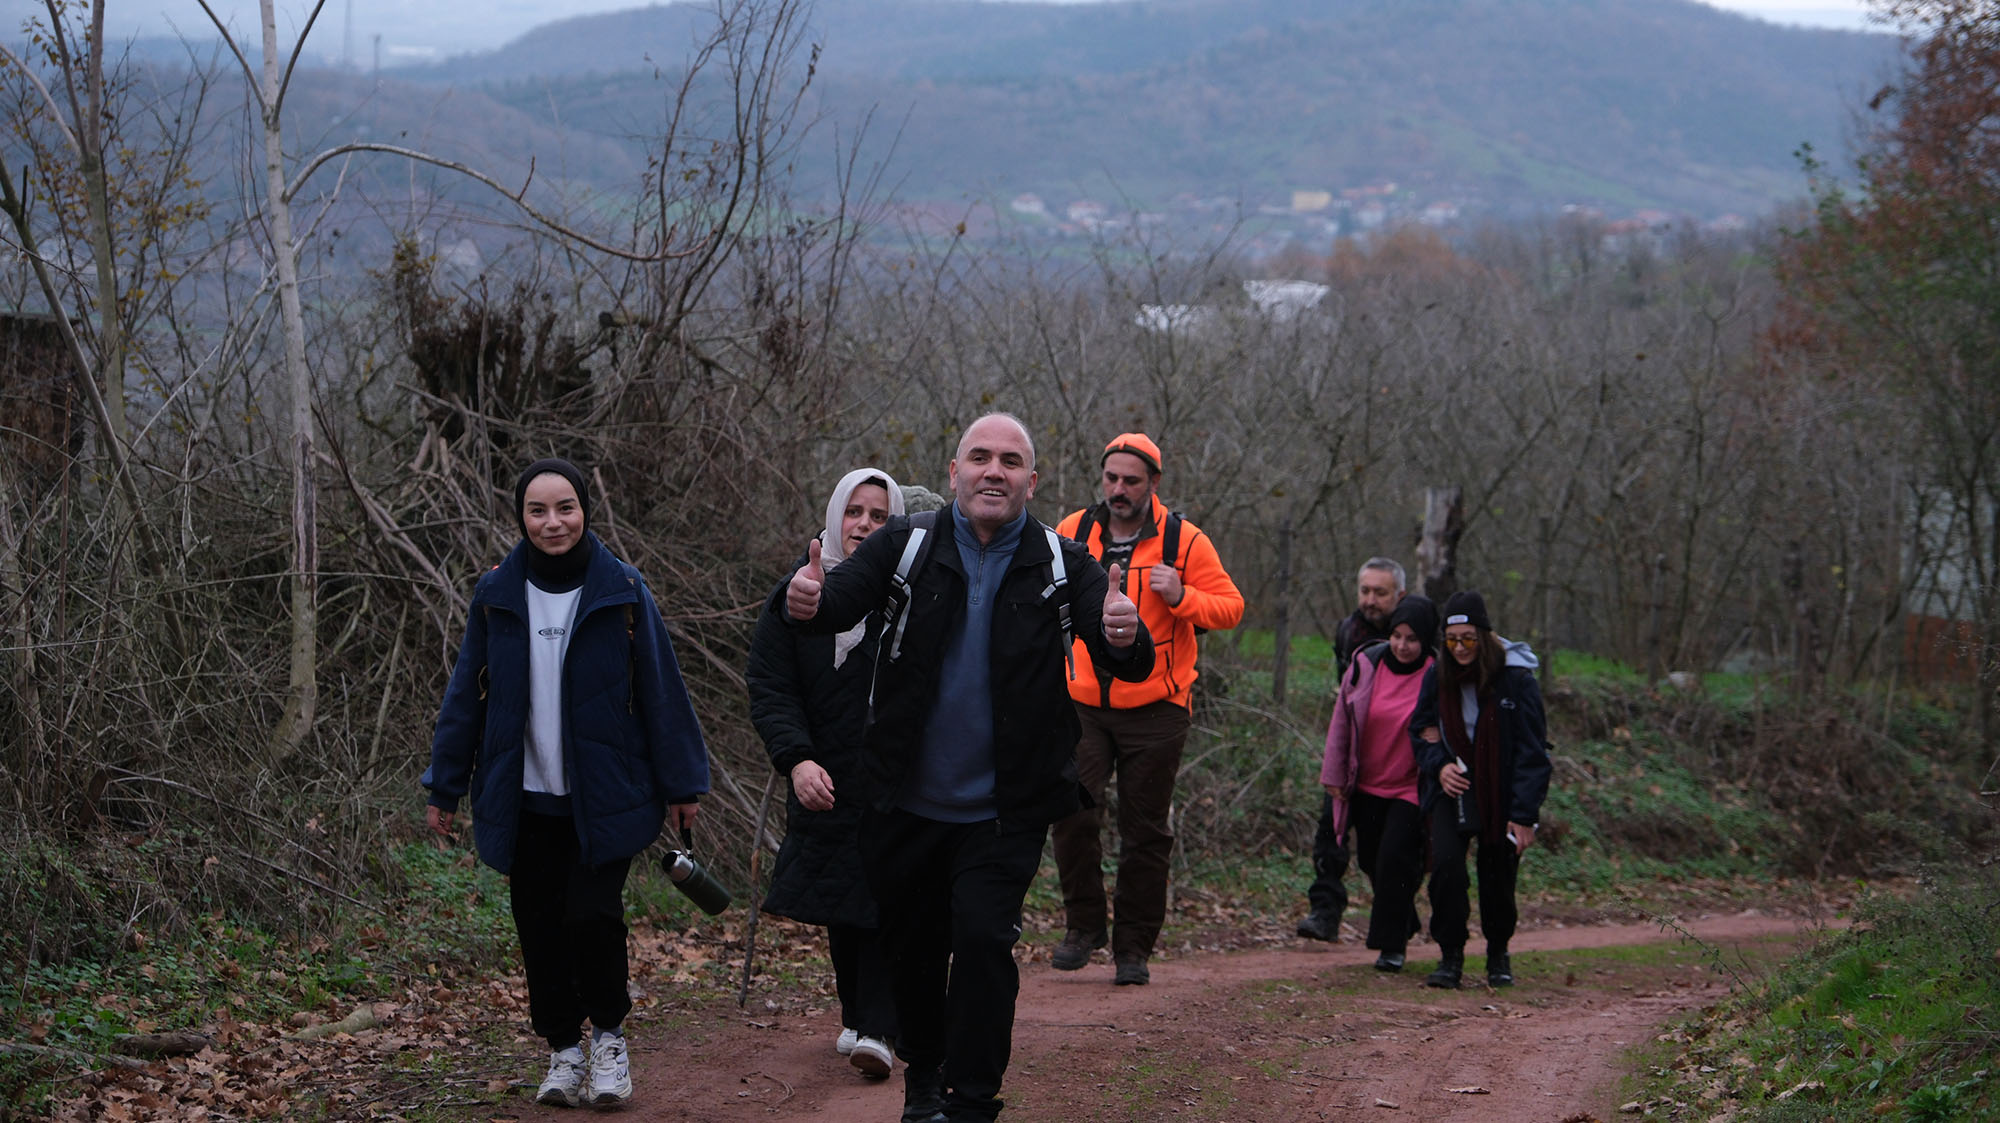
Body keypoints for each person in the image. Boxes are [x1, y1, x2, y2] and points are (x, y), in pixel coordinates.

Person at [784, 412, 1154, 1123]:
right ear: (953, 473)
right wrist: (808, 602)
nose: (994, 470)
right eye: (979, 457)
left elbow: (1118, 655)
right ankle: (925, 1082)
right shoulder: (906, 544)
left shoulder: (1059, 559)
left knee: (984, 942)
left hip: (1005, 807)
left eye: (1011, 461)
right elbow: (836, 601)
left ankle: (975, 1098)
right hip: (904, 797)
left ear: (1031, 480)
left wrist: (1124, 633)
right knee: (914, 950)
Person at [422, 458, 710, 1109]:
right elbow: (465, 694)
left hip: (606, 797)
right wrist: (444, 786)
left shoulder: (623, 590)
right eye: (538, 510)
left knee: (592, 916)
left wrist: (682, 782)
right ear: (520, 517)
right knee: (539, 926)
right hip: (523, 800)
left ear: (585, 510)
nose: (553, 522)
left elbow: (663, 693)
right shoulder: (496, 592)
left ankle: (609, 1039)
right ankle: (563, 1048)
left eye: (565, 507)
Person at [1048, 433, 1244, 985]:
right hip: (1083, 701)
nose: (1118, 489)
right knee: (1073, 814)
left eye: (1131, 480)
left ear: (1153, 484)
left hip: (1158, 708)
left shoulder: (1185, 539)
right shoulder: (1073, 532)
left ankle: (1132, 948)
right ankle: (1082, 928)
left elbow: (1231, 607)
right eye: (1111, 478)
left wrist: (1182, 595)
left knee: (1145, 831)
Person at [746, 468, 905, 1078]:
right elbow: (770, 684)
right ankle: (860, 1016)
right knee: (842, 899)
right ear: (836, 516)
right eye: (855, 512)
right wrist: (796, 758)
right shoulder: (798, 591)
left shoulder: (911, 591)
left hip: (896, 778)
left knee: (890, 899)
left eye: (880, 516)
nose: (864, 525)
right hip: (824, 775)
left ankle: (882, 1027)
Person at [1409, 589, 1552, 990]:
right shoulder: (1437, 676)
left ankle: (1497, 953)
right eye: (1452, 640)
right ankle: (1450, 956)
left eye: (1468, 639)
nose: (1459, 648)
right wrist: (1439, 767)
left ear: (1485, 637)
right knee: (1448, 870)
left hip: (1502, 790)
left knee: (1498, 875)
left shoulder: (1516, 679)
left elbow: (1532, 752)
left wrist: (1524, 815)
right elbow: (1419, 732)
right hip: (1452, 787)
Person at [1318, 595, 1438, 973]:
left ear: (1426, 640)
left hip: (1410, 786)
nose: (1403, 645)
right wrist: (1334, 775)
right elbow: (1342, 720)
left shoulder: (1438, 673)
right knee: (1370, 859)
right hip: (1366, 782)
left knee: (1394, 860)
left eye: (1412, 639)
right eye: (1398, 636)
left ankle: (1391, 947)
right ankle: (1402, 916)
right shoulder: (1366, 663)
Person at [1297, 557, 1408, 941]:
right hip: (1351, 752)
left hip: (1396, 760)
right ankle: (1325, 913)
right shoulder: (1349, 631)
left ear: (1400, 595)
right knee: (1331, 833)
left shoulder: (1413, 635)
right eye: (1365, 591)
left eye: (1381, 592)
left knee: (1382, 846)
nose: (1371, 600)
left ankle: (1398, 912)